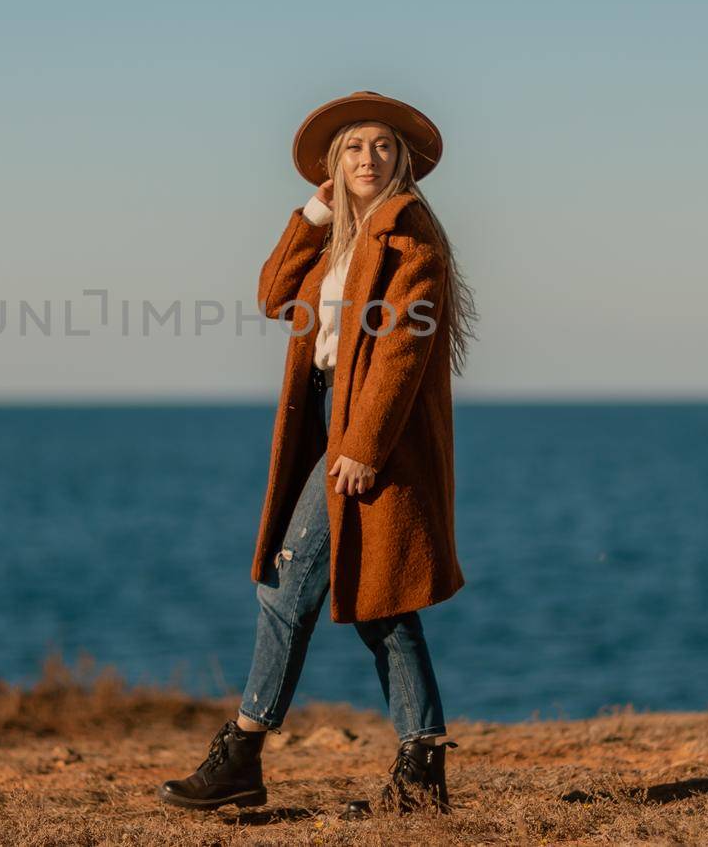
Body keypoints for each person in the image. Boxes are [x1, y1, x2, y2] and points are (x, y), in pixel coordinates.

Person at [157, 90, 479, 818]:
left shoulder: (408, 233)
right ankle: (422, 773)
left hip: (373, 429)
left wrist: (363, 445)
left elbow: (401, 348)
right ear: (336, 162)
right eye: (356, 147)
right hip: (341, 416)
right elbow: (274, 293)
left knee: (290, 578)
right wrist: (313, 215)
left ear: (403, 163)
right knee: (379, 605)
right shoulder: (345, 234)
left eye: (384, 147)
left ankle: (242, 750)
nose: (370, 158)